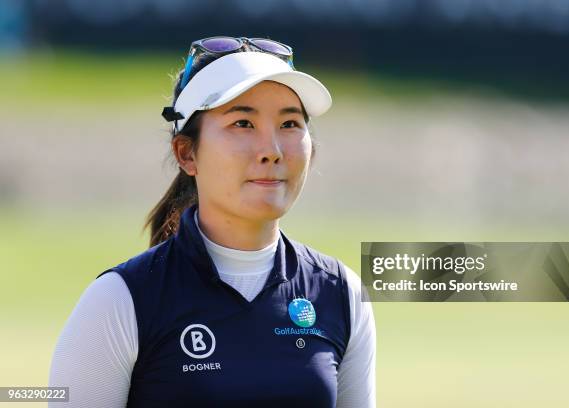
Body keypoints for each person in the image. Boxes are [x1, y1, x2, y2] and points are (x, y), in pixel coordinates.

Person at [49, 36, 376, 407]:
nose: (272, 150)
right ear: (187, 153)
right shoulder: (120, 301)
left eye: (289, 123)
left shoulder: (341, 294)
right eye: (242, 123)